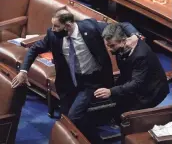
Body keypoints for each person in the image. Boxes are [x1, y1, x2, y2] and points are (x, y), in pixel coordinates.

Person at [11, 9, 140, 142]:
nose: (53, 29)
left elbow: (122, 25)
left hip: (92, 81)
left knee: (74, 117)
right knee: (66, 119)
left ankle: (96, 141)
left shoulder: (90, 27)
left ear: (68, 26)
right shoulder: (53, 35)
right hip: (69, 82)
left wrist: (135, 35)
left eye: (56, 26)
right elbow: (35, 49)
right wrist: (23, 71)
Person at [94, 23, 169, 124]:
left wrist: (111, 91)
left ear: (123, 41)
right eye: (108, 45)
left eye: (112, 46)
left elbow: (136, 83)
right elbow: (123, 24)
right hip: (135, 81)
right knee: (118, 103)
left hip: (151, 91)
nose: (110, 49)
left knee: (129, 117)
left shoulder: (140, 55)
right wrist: (135, 34)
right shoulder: (121, 44)